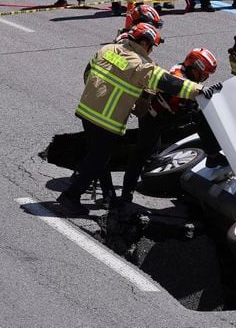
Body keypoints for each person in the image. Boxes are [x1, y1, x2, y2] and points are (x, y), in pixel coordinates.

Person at [56, 23, 217, 214]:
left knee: (96, 158)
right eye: (151, 46)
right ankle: (70, 196)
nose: (151, 50)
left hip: (87, 111)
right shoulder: (140, 65)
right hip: (107, 119)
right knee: (98, 159)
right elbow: (169, 82)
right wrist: (199, 90)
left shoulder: (107, 49)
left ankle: (101, 197)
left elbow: (88, 73)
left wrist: (97, 95)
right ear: (143, 41)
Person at [122, 47, 219, 203]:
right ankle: (126, 195)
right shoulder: (177, 74)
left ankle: (213, 156)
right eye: (205, 73)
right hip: (153, 118)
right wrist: (201, 92)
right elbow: (182, 88)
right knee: (141, 156)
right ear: (194, 67)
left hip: (169, 115)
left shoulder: (188, 73)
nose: (206, 77)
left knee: (201, 116)